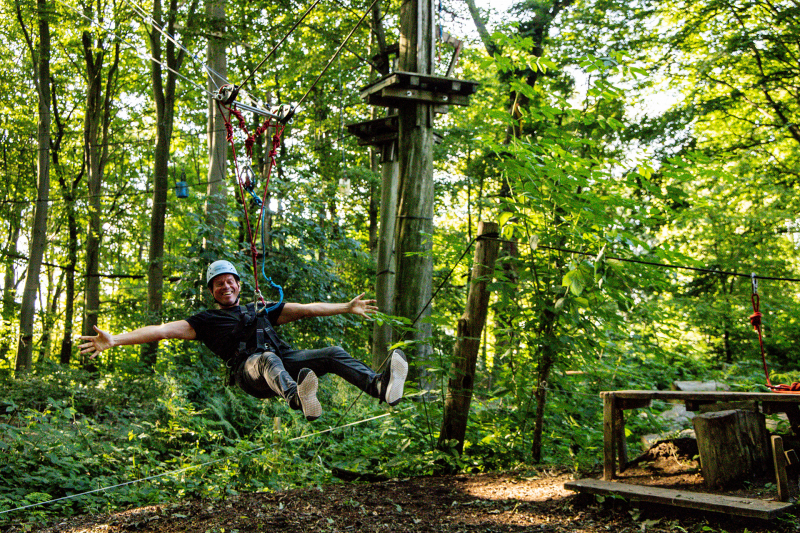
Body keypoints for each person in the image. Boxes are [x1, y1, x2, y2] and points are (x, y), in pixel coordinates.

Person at [78, 260, 407, 421]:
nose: (225, 287)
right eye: (218, 284)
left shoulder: (260, 309)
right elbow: (162, 330)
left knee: (332, 353)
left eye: (229, 281)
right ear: (212, 291)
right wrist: (116, 340)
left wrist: (346, 307)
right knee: (266, 358)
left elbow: (306, 310)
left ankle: (380, 387)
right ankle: (299, 398)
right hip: (251, 375)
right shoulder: (205, 321)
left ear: (238, 284)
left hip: (285, 365)